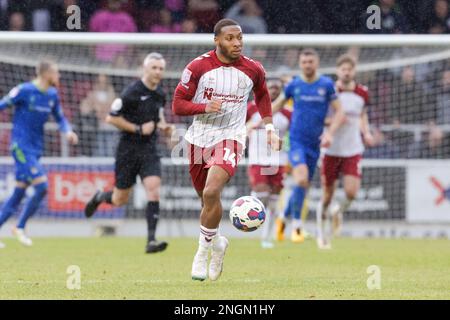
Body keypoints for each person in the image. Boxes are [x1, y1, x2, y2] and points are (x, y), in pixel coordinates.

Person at [172, 18, 281, 281]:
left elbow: (263, 95)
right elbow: (178, 105)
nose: (237, 43)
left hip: (231, 137)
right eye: (230, 38)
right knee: (206, 201)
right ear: (217, 41)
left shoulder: (253, 69)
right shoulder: (198, 67)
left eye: (240, 38)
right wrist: (204, 107)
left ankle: (201, 252)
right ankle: (218, 243)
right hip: (199, 139)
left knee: (212, 191)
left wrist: (269, 128)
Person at [84, 53, 175, 254]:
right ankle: (100, 197)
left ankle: (151, 240)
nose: (158, 72)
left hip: (149, 150)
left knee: (153, 188)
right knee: (120, 199)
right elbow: (111, 118)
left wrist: (164, 127)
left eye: (161, 68)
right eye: (154, 68)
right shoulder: (131, 92)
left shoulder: (160, 93)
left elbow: (158, 117)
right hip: (127, 151)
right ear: (145, 69)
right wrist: (137, 128)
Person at [0, 60, 78, 248]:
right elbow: (2, 104)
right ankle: (19, 227)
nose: (59, 77)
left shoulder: (52, 95)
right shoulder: (24, 90)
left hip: (36, 149)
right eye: (56, 73)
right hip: (20, 146)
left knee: (19, 192)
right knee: (42, 186)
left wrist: (67, 131)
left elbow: (60, 118)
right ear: (46, 74)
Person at [272, 48, 345, 248]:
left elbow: (340, 112)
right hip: (296, 141)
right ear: (300, 64)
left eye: (310, 62)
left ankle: (283, 219)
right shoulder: (294, 85)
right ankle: (296, 226)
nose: (307, 65)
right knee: (301, 179)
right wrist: (263, 118)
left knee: (303, 185)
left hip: (315, 144)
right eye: (304, 62)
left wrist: (330, 133)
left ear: (317, 63)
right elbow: (277, 105)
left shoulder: (326, 85)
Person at [316, 54, 374, 248]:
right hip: (331, 149)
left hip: (352, 148)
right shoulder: (329, 91)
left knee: (351, 192)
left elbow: (362, 115)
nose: (346, 72)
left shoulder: (363, 93)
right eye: (343, 69)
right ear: (337, 71)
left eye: (350, 69)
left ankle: (337, 211)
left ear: (354, 71)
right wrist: (334, 122)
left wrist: (366, 132)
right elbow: (321, 117)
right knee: (327, 195)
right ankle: (322, 234)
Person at [246, 79, 291, 249]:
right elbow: (242, 128)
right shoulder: (251, 108)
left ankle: (266, 237)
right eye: (270, 87)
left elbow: (291, 137)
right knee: (262, 195)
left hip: (279, 161)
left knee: (273, 201)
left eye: (277, 88)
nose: (273, 90)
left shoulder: (287, 114)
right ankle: (248, 207)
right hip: (258, 159)